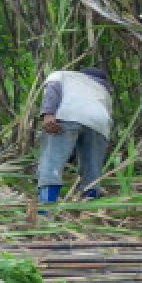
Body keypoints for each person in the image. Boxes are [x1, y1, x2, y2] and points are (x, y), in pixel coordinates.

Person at [36, 67, 113, 203]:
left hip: (68, 115)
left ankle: (46, 208)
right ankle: (88, 207)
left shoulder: (63, 75)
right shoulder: (103, 90)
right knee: (92, 169)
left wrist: (48, 114)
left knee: (52, 162)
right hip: (99, 123)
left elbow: (53, 91)